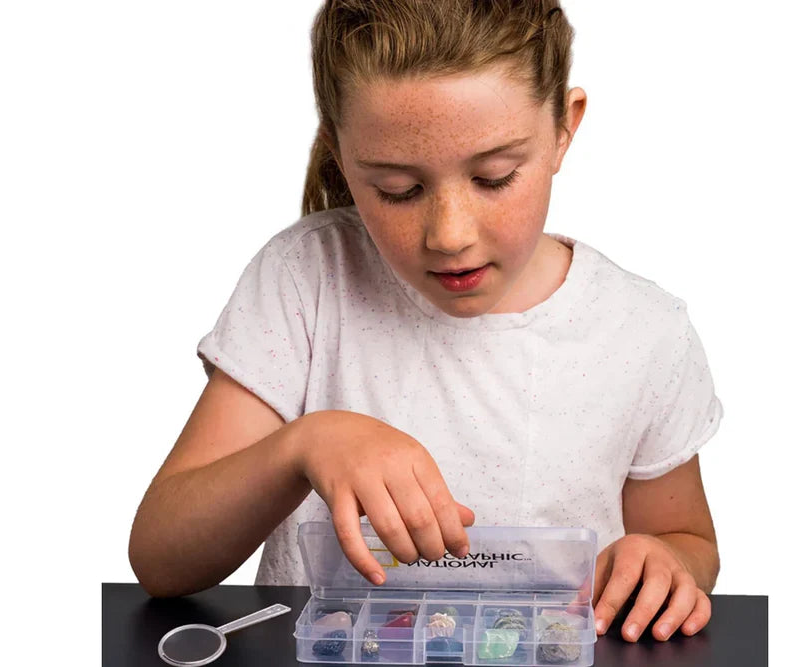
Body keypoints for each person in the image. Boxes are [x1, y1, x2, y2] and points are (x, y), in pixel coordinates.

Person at [129, 0, 724, 645]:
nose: (449, 235)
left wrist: (666, 561)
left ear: (564, 127)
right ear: (339, 152)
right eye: (398, 189)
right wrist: (302, 445)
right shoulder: (307, 279)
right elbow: (162, 559)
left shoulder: (644, 331)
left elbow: (684, 537)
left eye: (494, 177)